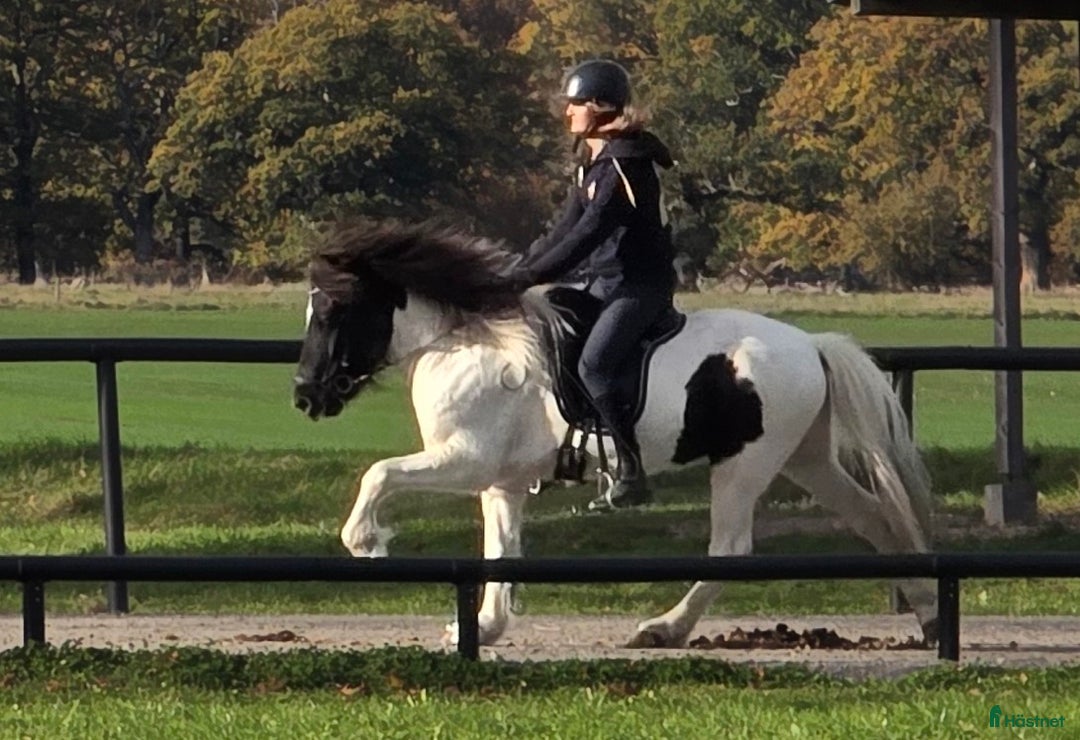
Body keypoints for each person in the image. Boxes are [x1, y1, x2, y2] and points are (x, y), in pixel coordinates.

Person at [509, 59, 677, 512]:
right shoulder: (594, 165)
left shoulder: (625, 167)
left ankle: (631, 472)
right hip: (606, 284)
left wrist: (530, 277)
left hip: (640, 288)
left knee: (595, 365)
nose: (567, 113)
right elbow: (563, 230)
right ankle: (571, 452)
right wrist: (516, 273)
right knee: (552, 332)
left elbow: (589, 236)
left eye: (574, 104)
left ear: (600, 107)